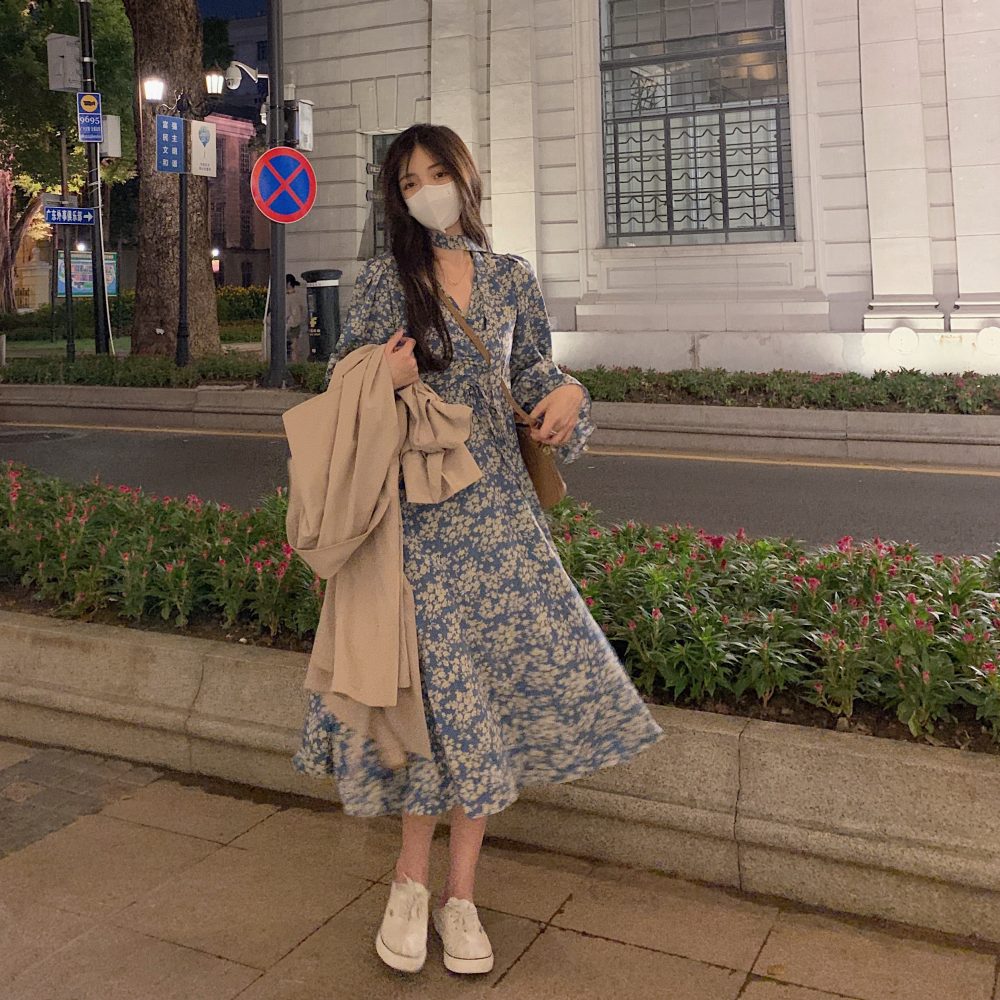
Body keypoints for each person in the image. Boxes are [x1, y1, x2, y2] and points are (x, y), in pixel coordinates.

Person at [291, 123, 664, 976]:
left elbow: (534, 372)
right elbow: (340, 384)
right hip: (414, 525)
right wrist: (380, 377)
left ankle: (459, 896)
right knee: (429, 702)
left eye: (436, 173)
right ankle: (408, 884)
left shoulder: (510, 277)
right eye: (408, 181)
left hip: (500, 523)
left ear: (465, 178)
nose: (425, 190)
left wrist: (570, 395)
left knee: (484, 704)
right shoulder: (384, 281)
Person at [285, 273, 306, 362]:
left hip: (293, 324)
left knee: (293, 346)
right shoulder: (296, 296)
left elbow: (300, 311)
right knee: (293, 346)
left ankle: (295, 363)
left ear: (289, 283)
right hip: (292, 324)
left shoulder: (292, 297)